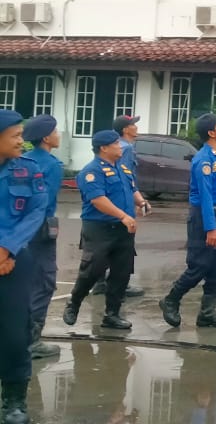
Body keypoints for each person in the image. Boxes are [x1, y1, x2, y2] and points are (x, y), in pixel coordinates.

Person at [1, 109, 51, 424]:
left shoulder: (28, 170)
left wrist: (6, 248)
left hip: (15, 260)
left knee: (15, 334)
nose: (23, 141)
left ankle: (14, 401)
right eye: (16, 136)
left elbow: (36, 211)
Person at [62, 130, 140, 330]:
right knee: (92, 271)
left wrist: (141, 201)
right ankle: (74, 303)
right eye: (116, 143)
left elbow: (131, 189)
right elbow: (98, 200)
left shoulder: (123, 168)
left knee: (121, 273)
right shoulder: (91, 171)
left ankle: (112, 315)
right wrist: (122, 215)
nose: (120, 146)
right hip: (99, 228)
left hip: (124, 229)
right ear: (104, 148)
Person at [160, 112, 216, 328]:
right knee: (200, 265)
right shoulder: (203, 159)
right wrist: (211, 228)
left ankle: (207, 313)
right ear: (211, 132)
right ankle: (171, 299)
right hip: (204, 216)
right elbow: (205, 195)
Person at [21, 116, 62, 359]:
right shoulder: (52, 165)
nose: (59, 134)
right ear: (46, 138)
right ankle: (33, 340)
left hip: (20, 230)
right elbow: (44, 203)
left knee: (23, 282)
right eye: (55, 132)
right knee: (45, 281)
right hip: (41, 230)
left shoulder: (22, 160)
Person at [93, 114, 145, 298]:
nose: (136, 127)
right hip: (120, 201)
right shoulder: (125, 149)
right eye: (133, 124)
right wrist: (134, 201)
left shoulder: (121, 147)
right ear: (125, 129)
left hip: (114, 200)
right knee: (123, 243)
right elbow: (124, 177)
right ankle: (120, 283)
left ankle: (99, 281)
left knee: (108, 242)